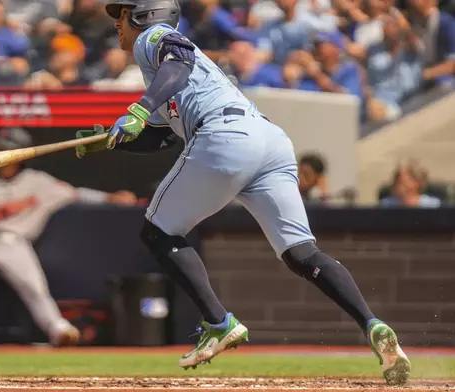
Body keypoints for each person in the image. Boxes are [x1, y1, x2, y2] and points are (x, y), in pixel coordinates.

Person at [73, 0, 411, 385]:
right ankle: (372, 324)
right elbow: (164, 135)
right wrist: (110, 140)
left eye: (121, 14)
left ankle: (218, 322)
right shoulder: (172, 77)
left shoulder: (152, 39)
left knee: (157, 230)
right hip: (268, 140)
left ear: (144, 15)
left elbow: (177, 60)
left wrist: (139, 107)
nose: (116, 23)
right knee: (302, 253)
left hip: (226, 137)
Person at [0, 127, 139, 351]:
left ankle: (57, 328)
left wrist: (110, 198)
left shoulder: (39, 183)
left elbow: (76, 194)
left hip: (15, 243)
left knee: (34, 286)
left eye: (5, 150)